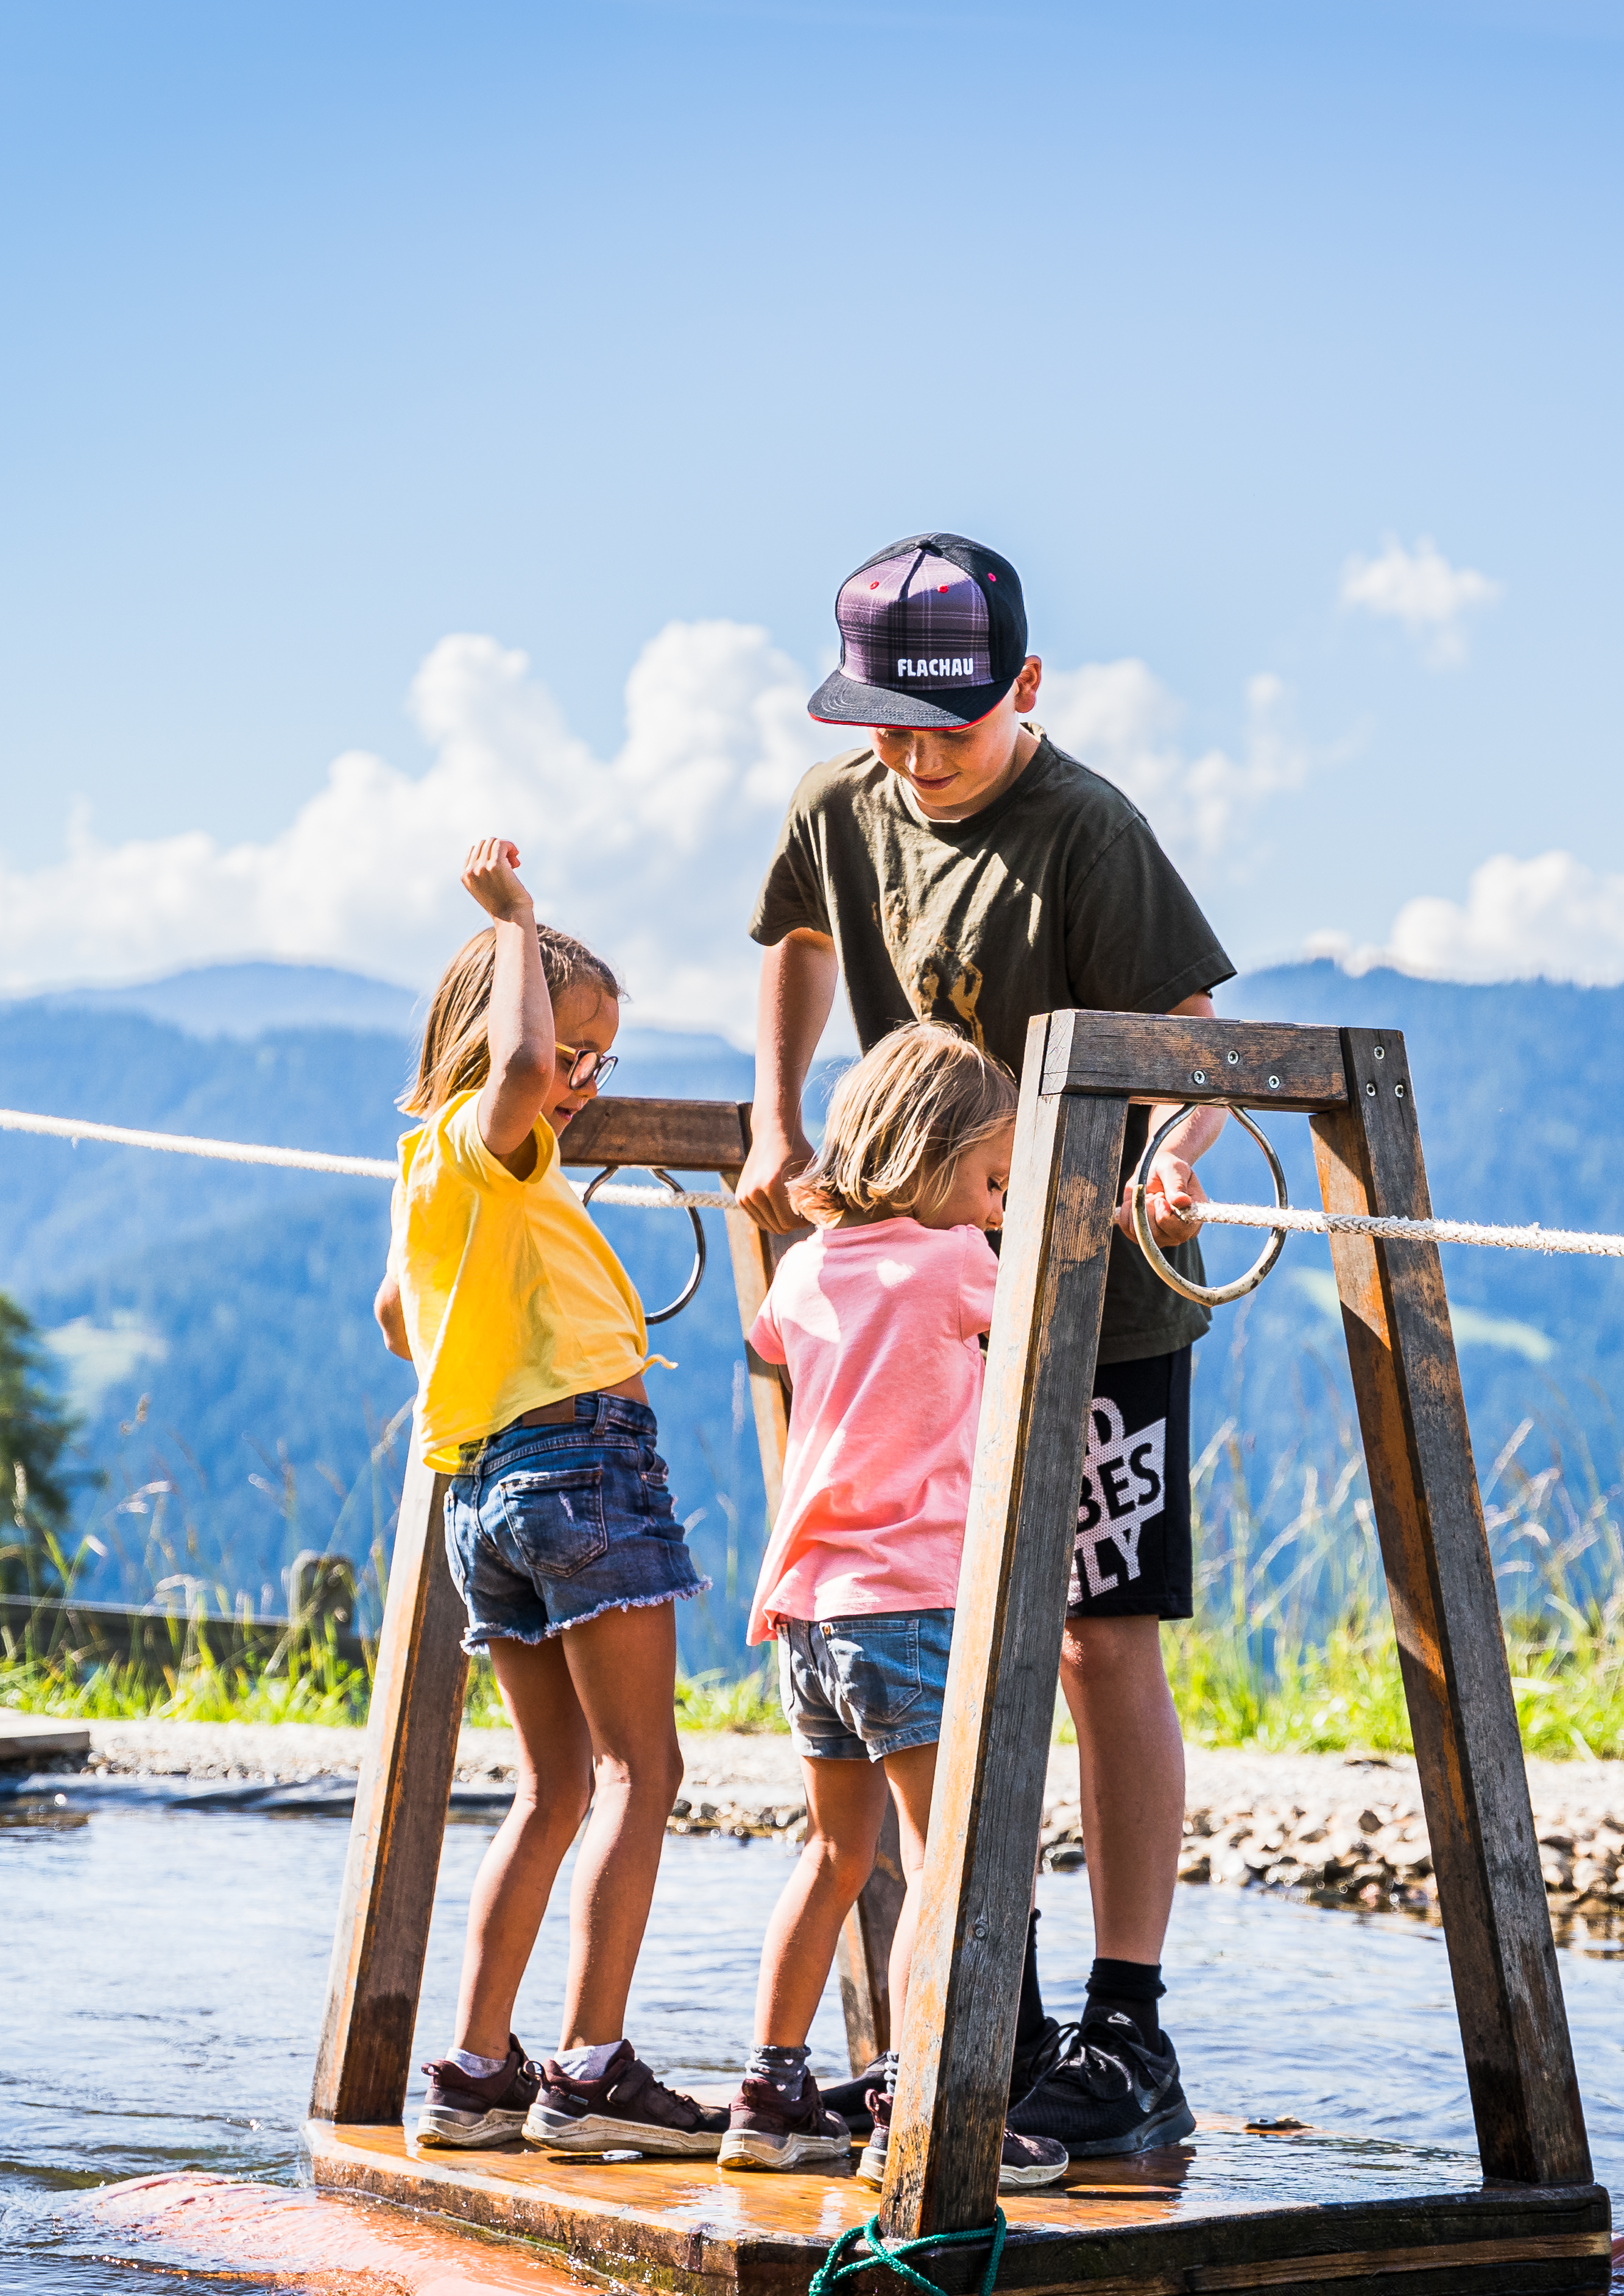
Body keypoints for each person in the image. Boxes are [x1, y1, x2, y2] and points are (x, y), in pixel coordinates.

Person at [735, 532, 1226, 2158]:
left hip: (1098, 1311)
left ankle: (1126, 2025)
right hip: (927, 1301)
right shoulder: (838, 805)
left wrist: (1171, 1148)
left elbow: (1203, 1044)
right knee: (936, 1650)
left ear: (1024, 688)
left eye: (943, 724)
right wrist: (774, 1114)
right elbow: (795, 939)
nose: (911, 753)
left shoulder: (1081, 830)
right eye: (883, 722)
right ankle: (981, 2027)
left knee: (1095, 1645)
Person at [378, 836, 721, 2158]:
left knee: (556, 1784)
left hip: (482, 1492)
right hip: (580, 1463)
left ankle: (473, 2073)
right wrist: (521, 917)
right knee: (646, 1769)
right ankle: (587, 2070)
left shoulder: (428, 1171)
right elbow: (513, 1075)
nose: (576, 1083)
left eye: (598, 1062)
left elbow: (397, 1318)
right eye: (569, 1053)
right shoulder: (489, 1131)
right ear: (496, 1034)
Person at [713, 1023, 1068, 2191]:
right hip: (906, 1603)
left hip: (809, 1612)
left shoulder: (809, 1267)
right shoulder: (955, 1257)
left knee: (831, 1850)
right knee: (945, 1862)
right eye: (992, 1175)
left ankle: (768, 2096)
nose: (998, 1198)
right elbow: (1052, 1277)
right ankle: (922, 2105)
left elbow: (768, 1338)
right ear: (934, 1155)